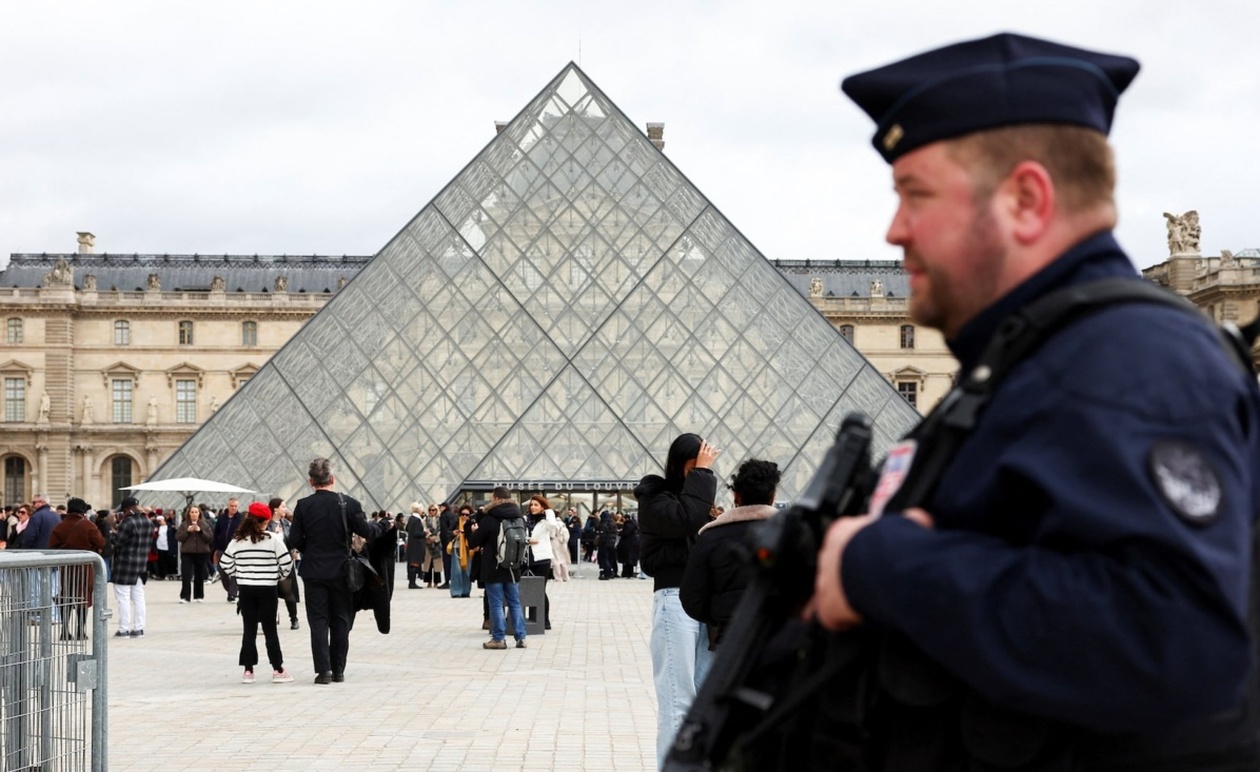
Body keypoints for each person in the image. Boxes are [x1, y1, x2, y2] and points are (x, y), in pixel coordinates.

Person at [800, 32, 1260, 768]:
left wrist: (883, 565)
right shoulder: (1037, 360)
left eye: (916, 194)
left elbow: (1170, 640)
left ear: (1025, 199)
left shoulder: (1131, 362)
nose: (895, 229)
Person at [636, 434, 720, 767]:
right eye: (695, 467)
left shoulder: (696, 500)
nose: (702, 471)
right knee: (677, 700)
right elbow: (686, 519)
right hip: (674, 600)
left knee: (703, 700)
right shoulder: (655, 498)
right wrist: (704, 474)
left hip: (703, 604)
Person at [287, 457, 390, 684]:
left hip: (314, 572)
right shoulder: (349, 503)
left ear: (311, 481)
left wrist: (311, 550)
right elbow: (367, 531)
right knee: (341, 619)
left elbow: (294, 539)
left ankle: (323, 671)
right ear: (332, 479)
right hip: (342, 571)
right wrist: (385, 524)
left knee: (318, 621)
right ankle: (339, 670)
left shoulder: (303, 505)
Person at [680, 459, 779, 650]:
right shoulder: (794, 535)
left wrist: (720, 615)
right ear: (773, 496)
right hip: (780, 638)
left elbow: (692, 598)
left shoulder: (710, 537)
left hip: (731, 639)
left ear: (736, 497)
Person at [219, 501, 294, 684]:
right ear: (266, 521)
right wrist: (276, 575)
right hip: (268, 588)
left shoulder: (237, 540)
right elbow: (286, 563)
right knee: (270, 630)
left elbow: (225, 564)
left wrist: (239, 574)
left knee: (249, 629)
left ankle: (248, 670)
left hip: (246, 589)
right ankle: (277, 669)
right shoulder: (272, 539)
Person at [467, 487, 527, 650]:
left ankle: (499, 638)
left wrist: (474, 531)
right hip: (513, 567)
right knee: (515, 602)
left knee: (496, 604)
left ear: (495, 498)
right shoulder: (519, 517)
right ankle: (521, 637)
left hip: (493, 567)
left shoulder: (490, 518)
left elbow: (473, 542)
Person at [49, 497, 106, 640]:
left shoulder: (60, 526)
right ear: (83, 510)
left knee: (66, 596)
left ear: (69, 509)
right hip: (85, 566)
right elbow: (101, 542)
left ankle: (64, 630)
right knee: (83, 598)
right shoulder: (88, 525)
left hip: (66, 566)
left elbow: (52, 546)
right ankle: (80, 630)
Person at [110, 497, 150, 638]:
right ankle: (139, 628)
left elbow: (118, 542)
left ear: (127, 509)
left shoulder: (128, 522)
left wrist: (111, 534)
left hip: (125, 565)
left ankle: (123, 629)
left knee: (123, 598)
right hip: (141, 564)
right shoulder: (148, 522)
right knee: (139, 597)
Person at [524, 495, 558, 629]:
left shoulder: (546, 521)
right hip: (526, 558)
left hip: (542, 559)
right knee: (525, 589)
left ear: (542, 507)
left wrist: (548, 510)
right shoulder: (525, 519)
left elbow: (553, 525)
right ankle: (530, 618)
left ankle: (544, 620)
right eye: (531, 505)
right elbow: (520, 535)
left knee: (540, 590)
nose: (533, 507)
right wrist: (527, 540)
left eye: (536, 505)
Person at [268, 497, 301, 629]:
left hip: (285, 562)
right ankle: (272, 617)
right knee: (271, 593)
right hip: (270, 563)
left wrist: (294, 550)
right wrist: (273, 534)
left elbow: (292, 541)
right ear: (275, 509)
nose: (285, 509)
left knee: (288, 591)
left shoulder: (287, 524)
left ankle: (294, 618)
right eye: (283, 506)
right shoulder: (267, 524)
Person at [176, 505, 213, 603]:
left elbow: (209, 538)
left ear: (199, 513)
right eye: (192, 512)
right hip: (187, 553)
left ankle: (198, 595)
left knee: (199, 575)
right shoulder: (184, 524)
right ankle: (185, 596)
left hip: (201, 553)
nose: (194, 514)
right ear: (189, 514)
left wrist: (200, 531)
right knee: (186, 575)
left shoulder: (205, 524)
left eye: (196, 512)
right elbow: (178, 537)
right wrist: (187, 532)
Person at [210, 498, 244, 603]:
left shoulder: (241, 519)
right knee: (223, 572)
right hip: (222, 549)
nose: (233, 508)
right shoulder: (221, 518)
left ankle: (232, 594)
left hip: (235, 550)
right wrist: (215, 548)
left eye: (235, 506)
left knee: (234, 572)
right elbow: (216, 533)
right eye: (232, 506)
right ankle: (230, 590)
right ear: (228, 506)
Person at [447, 504, 473, 598]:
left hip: (468, 548)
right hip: (457, 547)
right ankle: (456, 591)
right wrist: (453, 533)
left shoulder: (472, 523)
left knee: (467, 570)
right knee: (456, 570)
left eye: (467, 514)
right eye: (463, 514)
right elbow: (447, 532)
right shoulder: (456, 521)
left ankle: (466, 591)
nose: (464, 516)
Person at [404, 503, 426, 589]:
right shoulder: (417, 520)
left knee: (412, 563)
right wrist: (425, 533)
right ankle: (412, 583)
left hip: (411, 544)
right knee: (415, 563)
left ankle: (411, 582)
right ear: (418, 510)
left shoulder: (411, 518)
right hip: (416, 544)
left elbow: (407, 529)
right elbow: (416, 533)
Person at [616, 511, 640, 578]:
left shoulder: (628, 525)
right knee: (629, 560)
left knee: (627, 560)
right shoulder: (633, 524)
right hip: (632, 544)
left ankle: (627, 574)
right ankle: (629, 573)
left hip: (628, 544)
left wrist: (620, 533)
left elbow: (625, 533)